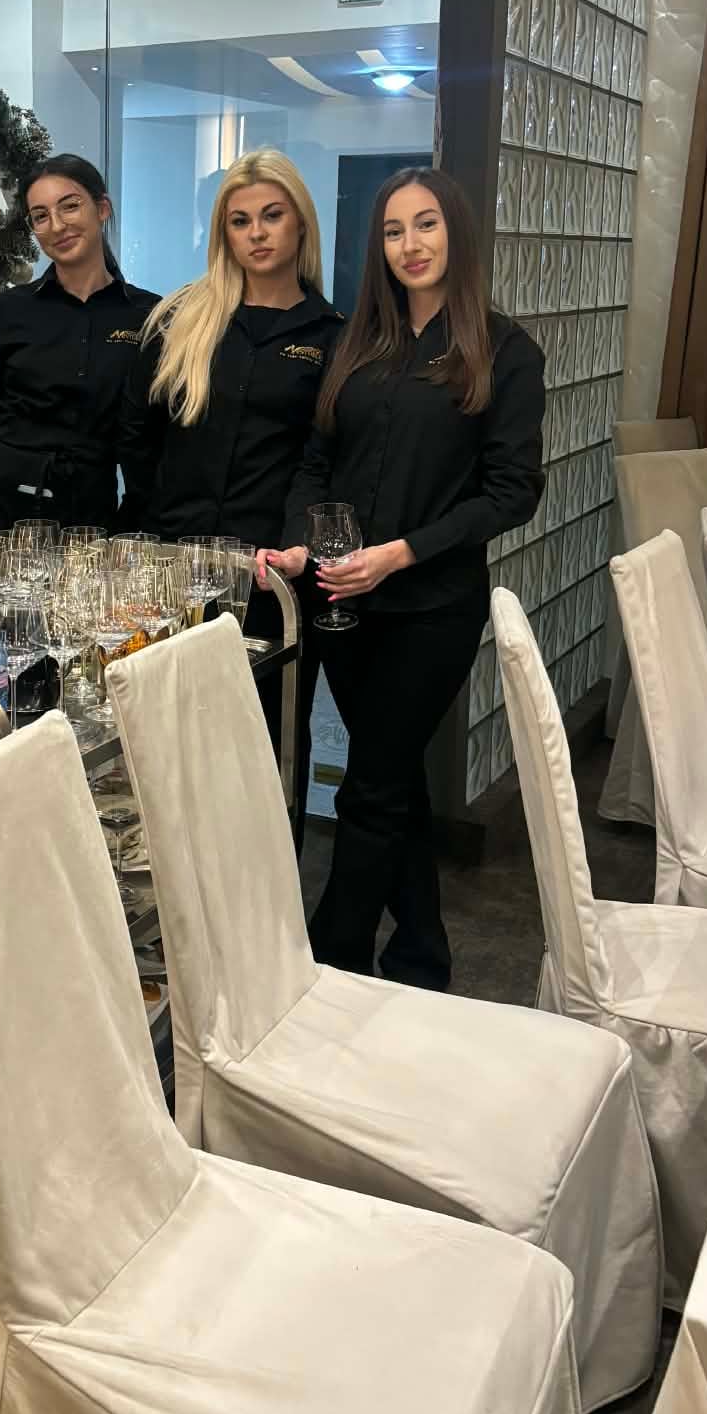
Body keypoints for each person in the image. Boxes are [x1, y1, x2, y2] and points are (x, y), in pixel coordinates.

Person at [262, 167, 546, 991]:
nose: (410, 244)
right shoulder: (357, 345)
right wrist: (300, 546)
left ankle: (329, 967)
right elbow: (316, 463)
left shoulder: (505, 351)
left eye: (426, 225)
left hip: (432, 610)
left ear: (456, 232)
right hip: (343, 604)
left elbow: (512, 492)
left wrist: (400, 553)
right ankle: (421, 957)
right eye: (393, 230)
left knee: (370, 787)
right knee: (393, 783)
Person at [118, 148, 343, 840]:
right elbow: (137, 436)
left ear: (300, 224)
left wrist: (298, 545)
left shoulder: (334, 338)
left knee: (268, 752)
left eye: (272, 216)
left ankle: (271, 899)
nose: (257, 233)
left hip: (272, 577)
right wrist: (154, 531)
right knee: (168, 749)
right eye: (240, 221)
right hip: (174, 572)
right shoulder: (182, 319)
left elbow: (325, 461)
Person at [0, 156, 157, 529]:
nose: (58, 225)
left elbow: (152, 439)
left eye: (70, 206)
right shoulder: (8, 311)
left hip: (93, 510)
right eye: (41, 216)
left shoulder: (148, 316)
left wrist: (138, 518)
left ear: (102, 208)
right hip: (3, 507)